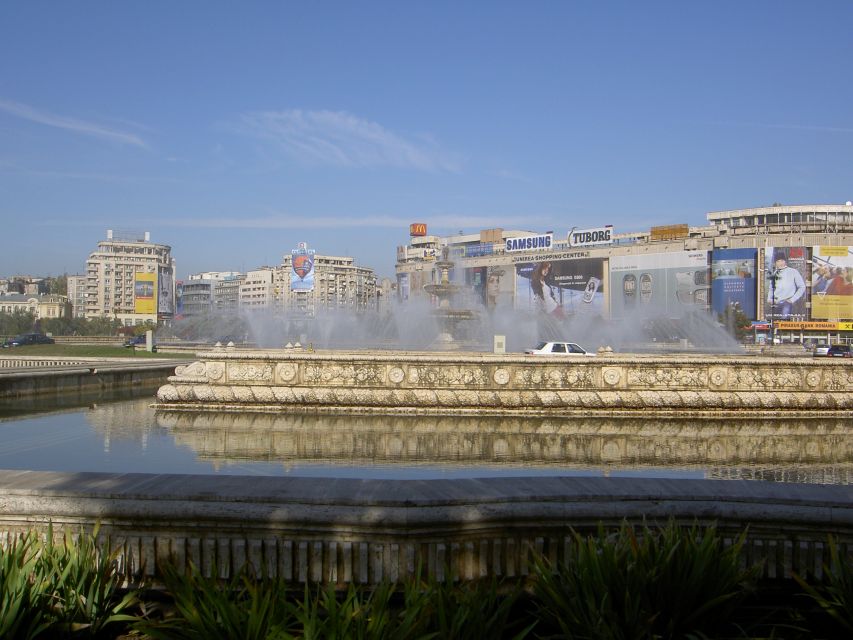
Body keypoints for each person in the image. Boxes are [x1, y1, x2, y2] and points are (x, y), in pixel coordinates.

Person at [768, 254, 805, 319]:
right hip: (775, 303)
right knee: (775, 323)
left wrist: (792, 299)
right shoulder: (774, 273)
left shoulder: (793, 271)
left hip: (787, 303)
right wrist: (769, 299)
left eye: (782, 260)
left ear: (785, 261)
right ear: (775, 263)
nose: (780, 263)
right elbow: (771, 288)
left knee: (784, 321)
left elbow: (802, 287)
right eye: (778, 261)